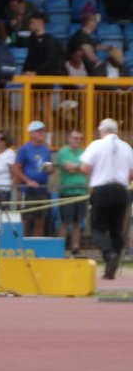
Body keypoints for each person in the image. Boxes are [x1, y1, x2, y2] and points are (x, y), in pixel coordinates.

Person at [78, 118, 133, 280]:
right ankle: (112, 266)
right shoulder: (126, 147)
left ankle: (109, 254)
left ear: (102, 131)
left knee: (97, 228)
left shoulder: (96, 145)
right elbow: (131, 174)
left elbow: (85, 167)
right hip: (121, 190)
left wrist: (98, 170)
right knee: (116, 230)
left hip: (102, 189)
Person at [14, 120, 54, 238]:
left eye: (43, 131)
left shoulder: (46, 149)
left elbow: (49, 165)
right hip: (28, 190)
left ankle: (37, 248)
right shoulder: (24, 149)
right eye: (38, 131)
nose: (42, 133)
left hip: (42, 189)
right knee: (26, 219)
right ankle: (23, 247)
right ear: (31, 133)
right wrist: (27, 181)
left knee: (40, 219)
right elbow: (16, 169)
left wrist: (51, 169)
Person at [55, 129, 88, 256]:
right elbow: (68, 169)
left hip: (81, 192)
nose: (78, 141)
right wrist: (80, 168)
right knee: (64, 221)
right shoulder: (63, 151)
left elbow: (87, 170)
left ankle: (75, 247)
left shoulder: (84, 153)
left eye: (80, 138)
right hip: (67, 192)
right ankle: (60, 247)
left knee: (77, 222)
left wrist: (77, 168)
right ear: (69, 138)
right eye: (75, 138)